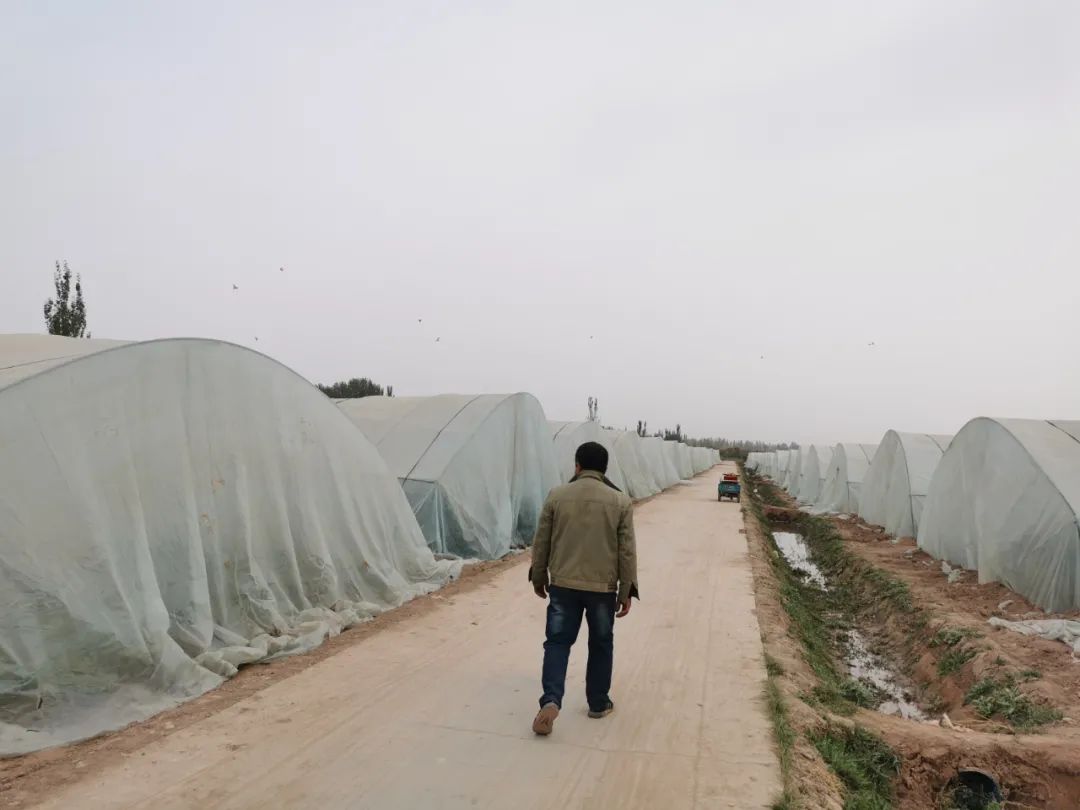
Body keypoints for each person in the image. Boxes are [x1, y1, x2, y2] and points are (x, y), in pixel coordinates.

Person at [528, 441, 638, 736]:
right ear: (604, 470)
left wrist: (539, 576)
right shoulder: (620, 502)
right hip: (602, 588)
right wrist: (626, 590)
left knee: (557, 642)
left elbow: (542, 542)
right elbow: (625, 551)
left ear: (577, 465)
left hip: (563, 584)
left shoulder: (557, 496)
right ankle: (598, 703)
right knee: (601, 643)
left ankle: (551, 700)